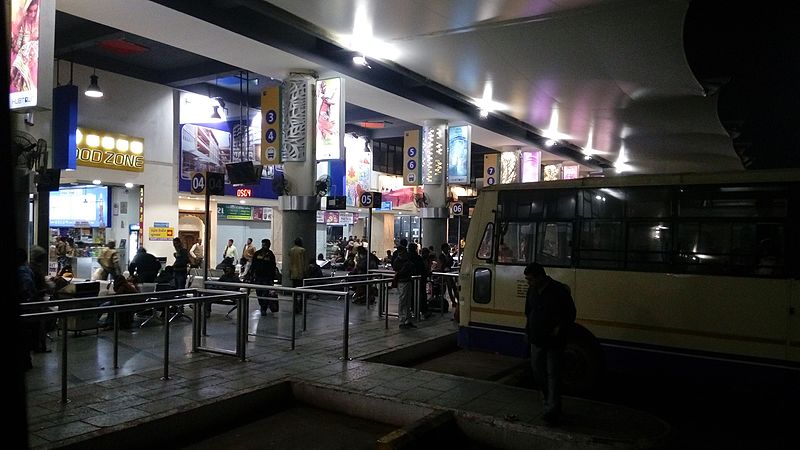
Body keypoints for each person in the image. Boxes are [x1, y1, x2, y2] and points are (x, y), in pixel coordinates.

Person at [523, 262, 576, 424]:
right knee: (538, 372)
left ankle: (551, 408)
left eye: (530, 279)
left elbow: (570, 313)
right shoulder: (532, 290)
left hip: (554, 341)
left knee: (553, 374)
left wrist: (559, 328)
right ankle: (550, 401)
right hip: (536, 339)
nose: (528, 282)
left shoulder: (558, 290)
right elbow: (528, 312)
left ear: (540, 277)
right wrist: (527, 331)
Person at [395, 242, 425, 329]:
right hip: (403, 282)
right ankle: (403, 320)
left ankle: (407, 320)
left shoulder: (404, 260)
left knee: (407, 301)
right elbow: (400, 271)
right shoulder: (400, 261)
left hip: (407, 281)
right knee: (403, 301)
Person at [251, 239, 278, 316]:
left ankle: (264, 308)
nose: (264, 246)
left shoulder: (270, 255)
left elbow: (273, 267)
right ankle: (261, 305)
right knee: (259, 293)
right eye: (263, 245)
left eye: (266, 245)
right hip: (258, 277)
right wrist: (251, 275)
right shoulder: (257, 254)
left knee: (265, 293)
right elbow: (253, 265)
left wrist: (272, 279)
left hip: (267, 278)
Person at [288, 237, 306, 314]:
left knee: (294, 292)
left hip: (293, 273)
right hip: (300, 273)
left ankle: (295, 307)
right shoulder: (302, 250)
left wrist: (289, 272)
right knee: (301, 292)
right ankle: (300, 307)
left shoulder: (291, 250)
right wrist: (305, 272)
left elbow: (290, 263)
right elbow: (304, 262)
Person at [439, 242, 458, 307]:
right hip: (445, 273)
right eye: (446, 248)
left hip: (449, 272)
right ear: (443, 248)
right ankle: (453, 301)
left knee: (454, 287)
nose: (447, 249)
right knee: (449, 288)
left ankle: (456, 300)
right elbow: (443, 265)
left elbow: (450, 263)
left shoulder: (448, 255)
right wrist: (450, 258)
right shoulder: (441, 256)